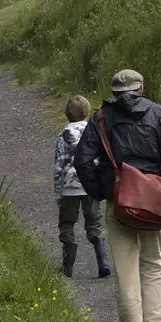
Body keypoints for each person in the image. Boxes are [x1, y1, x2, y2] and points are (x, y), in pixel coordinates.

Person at [73, 68, 161, 322]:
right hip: (152, 198)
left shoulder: (101, 117)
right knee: (154, 264)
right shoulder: (160, 113)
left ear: (114, 92)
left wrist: (103, 191)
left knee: (126, 272)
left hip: (120, 201)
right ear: (140, 89)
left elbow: (82, 160)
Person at [53, 95, 110, 279]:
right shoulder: (93, 131)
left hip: (69, 186)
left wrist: (58, 191)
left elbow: (59, 164)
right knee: (94, 221)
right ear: (87, 111)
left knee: (67, 223)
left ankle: (67, 267)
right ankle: (102, 264)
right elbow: (100, 157)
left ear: (67, 114)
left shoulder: (62, 136)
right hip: (89, 183)